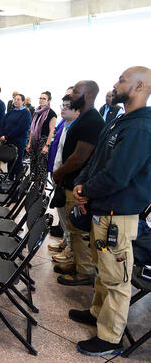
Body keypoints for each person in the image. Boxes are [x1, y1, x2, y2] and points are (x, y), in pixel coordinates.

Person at [70, 66, 151, 357]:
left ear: (140, 86)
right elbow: (96, 162)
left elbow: (118, 175)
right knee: (104, 267)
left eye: (122, 80)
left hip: (118, 216)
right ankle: (97, 312)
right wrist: (81, 186)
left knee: (117, 278)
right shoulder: (120, 121)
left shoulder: (142, 127)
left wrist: (86, 191)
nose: (116, 84)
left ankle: (110, 337)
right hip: (102, 212)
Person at [52, 80, 104, 286]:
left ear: (88, 95)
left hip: (78, 184)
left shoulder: (92, 120)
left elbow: (80, 156)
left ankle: (84, 271)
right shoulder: (84, 117)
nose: (71, 95)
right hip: (72, 182)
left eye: (75, 91)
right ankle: (76, 262)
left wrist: (60, 172)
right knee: (73, 227)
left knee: (79, 229)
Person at [47, 95, 79, 265]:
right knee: (61, 211)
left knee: (68, 214)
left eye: (68, 106)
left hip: (65, 177)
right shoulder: (64, 124)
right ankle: (65, 241)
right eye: (63, 105)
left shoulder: (75, 128)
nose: (63, 108)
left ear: (78, 111)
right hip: (57, 172)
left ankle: (70, 249)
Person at [26, 91, 57, 184]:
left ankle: (41, 190)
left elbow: (52, 130)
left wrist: (46, 145)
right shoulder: (36, 112)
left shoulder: (52, 113)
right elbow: (32, 129)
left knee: (41, 166)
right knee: (33, 163)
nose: (41, 100)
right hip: (34, 140)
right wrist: (29, 143)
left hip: (44, 141)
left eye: (44, 98)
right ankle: (33, 186)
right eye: (40, 98)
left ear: (49, 101)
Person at [0, 93, 32, 180]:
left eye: (18, 99)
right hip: (8, 140)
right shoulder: (11, 111)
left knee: (17, 162)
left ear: (23, 102)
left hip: (19, 141)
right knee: (9, 161)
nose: (16, 101)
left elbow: (21, 127)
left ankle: (17, 182)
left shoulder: (26, 113)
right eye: (15, 99)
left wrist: (7, 136)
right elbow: (3, 123)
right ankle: (10, 179)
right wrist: (2, 134)